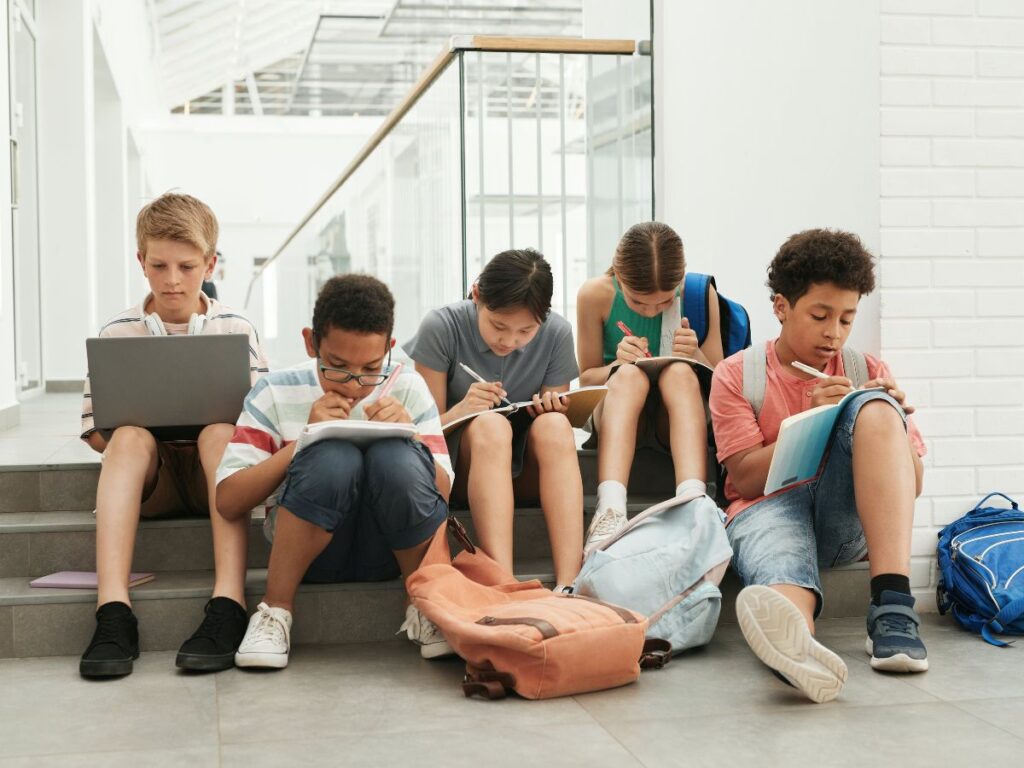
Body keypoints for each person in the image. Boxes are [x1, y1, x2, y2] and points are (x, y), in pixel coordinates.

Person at [709, 228, 928, 704]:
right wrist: (808, 416)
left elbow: (910, 487)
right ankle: (797, 646)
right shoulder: (736, 373)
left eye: (847, 318)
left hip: (840, 519)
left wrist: (889, 425)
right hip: (766, 509)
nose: (834, 333)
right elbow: (743, 478)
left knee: (873, 407)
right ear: (782, 307)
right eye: (820, 315)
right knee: (781, 562)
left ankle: (893, 606)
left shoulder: (865, 369)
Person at [217, 274, 454, 668]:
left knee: (395, 456)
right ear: (311, 343)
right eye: (338, 367)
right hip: (307, 553)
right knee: (332, 456)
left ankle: (424, 605)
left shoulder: (407, 386)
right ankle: (275, 610)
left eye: (371, 369)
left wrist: (409, 437)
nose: (356, 385)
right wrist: (304, 441)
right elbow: (228, 500)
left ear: (390, 350)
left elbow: (442, 495)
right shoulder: (275, 390)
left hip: (389, 550)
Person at [78, 192, 269, 678]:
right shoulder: (116, 333)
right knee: (125, 438)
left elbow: (262, 431)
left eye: (186, 266)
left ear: (210, 263)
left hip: (221, 475)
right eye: (159, 265)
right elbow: (93, 434)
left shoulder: (236, 327)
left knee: (220, 432)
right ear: (141, 261)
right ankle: (113, 613)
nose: (172, 280)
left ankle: (228, 602)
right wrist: (139, 428)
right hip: (154, 480)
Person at [405, 249, 583, 592]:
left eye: (525, 331)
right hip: (461, 472)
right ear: (476, 295)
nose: (509, 341)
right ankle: (503, 581)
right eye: (498, 325)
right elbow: (419, 437)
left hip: (529, 473)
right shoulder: (441, 326)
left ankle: (569, 582)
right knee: (490, 425)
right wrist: (463, 411)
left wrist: (551, 408)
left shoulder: (558, 333)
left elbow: (558, 421)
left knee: (556, 424)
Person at [576, 222, 724, 550]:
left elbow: (720, 380)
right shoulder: (596, 294)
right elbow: (586, 378)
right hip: (618, 411)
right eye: (638, 303)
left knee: (680, 374)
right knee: (629, 376)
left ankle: (692, 501)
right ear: (620, 278)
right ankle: (611, 507)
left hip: (677, 416)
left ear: (680, 281)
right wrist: (616, 364)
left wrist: (695, 353)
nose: (652, 310)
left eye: (664, 302)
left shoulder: (699, 295)